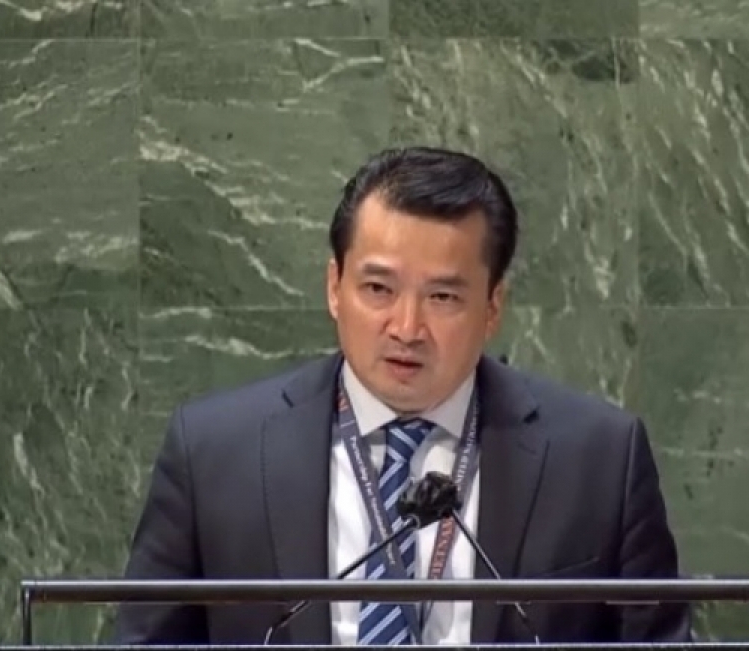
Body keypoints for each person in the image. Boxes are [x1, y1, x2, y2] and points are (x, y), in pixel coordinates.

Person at [115, 146, 692, 645]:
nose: (407, 327)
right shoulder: (214, 454)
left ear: (493, 307)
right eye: (378, 288)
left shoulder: (598, 460)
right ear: (334, 287)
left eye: (443, 297)